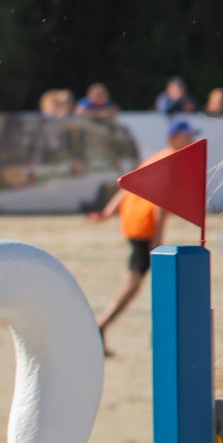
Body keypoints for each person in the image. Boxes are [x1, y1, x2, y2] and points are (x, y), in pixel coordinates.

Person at [89, 121, 195, 347]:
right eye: (187, 136)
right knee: (135, 284)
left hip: (134, 223)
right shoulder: (171, 162)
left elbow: (128, 184)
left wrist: (108, 212)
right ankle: (103, 324)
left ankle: (151, 331)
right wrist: (158, 237)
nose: (192, 140)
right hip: (145, 226)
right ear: (173, 138)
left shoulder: (159, 157)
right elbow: (159, 202)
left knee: (146, 281)